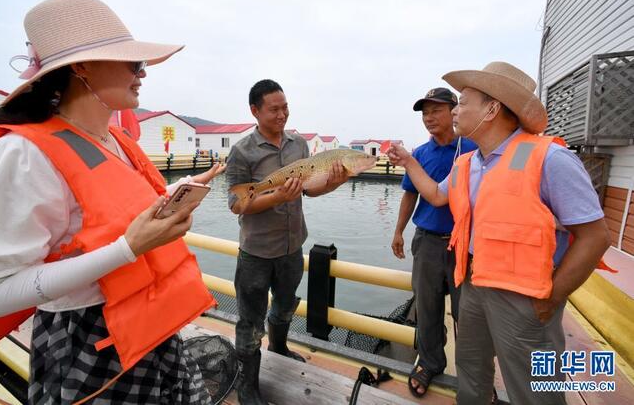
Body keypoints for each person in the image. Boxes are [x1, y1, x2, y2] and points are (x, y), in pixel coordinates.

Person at [0, 0, 220, 404]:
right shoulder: (21, 156)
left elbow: (112, 209)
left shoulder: (114, 140)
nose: (142, 74)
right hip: (87, 341)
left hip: (153, 329)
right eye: (131, 62)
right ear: (80, 68)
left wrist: (183, 190)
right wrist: (127, 249)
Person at [388, 62, 610, 404]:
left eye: (463, 102)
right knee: (472, 371)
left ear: (492, 109)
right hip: (475, 285)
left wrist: (551, 298)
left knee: (533, 387)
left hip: (527, 297)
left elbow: (595, 236)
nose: (455, 110)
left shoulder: (549, 158)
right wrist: (409, 162)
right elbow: (435, 195)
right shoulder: (470, 163)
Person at [226, 79, 350, 404]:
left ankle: (279, 347)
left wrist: (335, 183)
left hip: (292, 249)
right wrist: (276, 195)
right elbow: (237, 204)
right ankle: (247, 387)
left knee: (284, 306)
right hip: (256, 252)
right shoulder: (242, 151)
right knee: (249, 322)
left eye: (285, 107)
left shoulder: (299, 146)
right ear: (255, 111)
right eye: (274, 109)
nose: (282, 114)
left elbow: (310, 189)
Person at [391, 87, 477, 397]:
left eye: (436, 110)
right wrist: (399, 231)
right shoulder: (420, 154)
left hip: (464, 244)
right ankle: (429, 362)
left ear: (454, 111)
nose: (429, 117)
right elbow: (410, 195)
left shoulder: (473, 149)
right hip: (426, 242)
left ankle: (474, 376)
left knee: (468, 314)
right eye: (425, 112)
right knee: (427, 309)